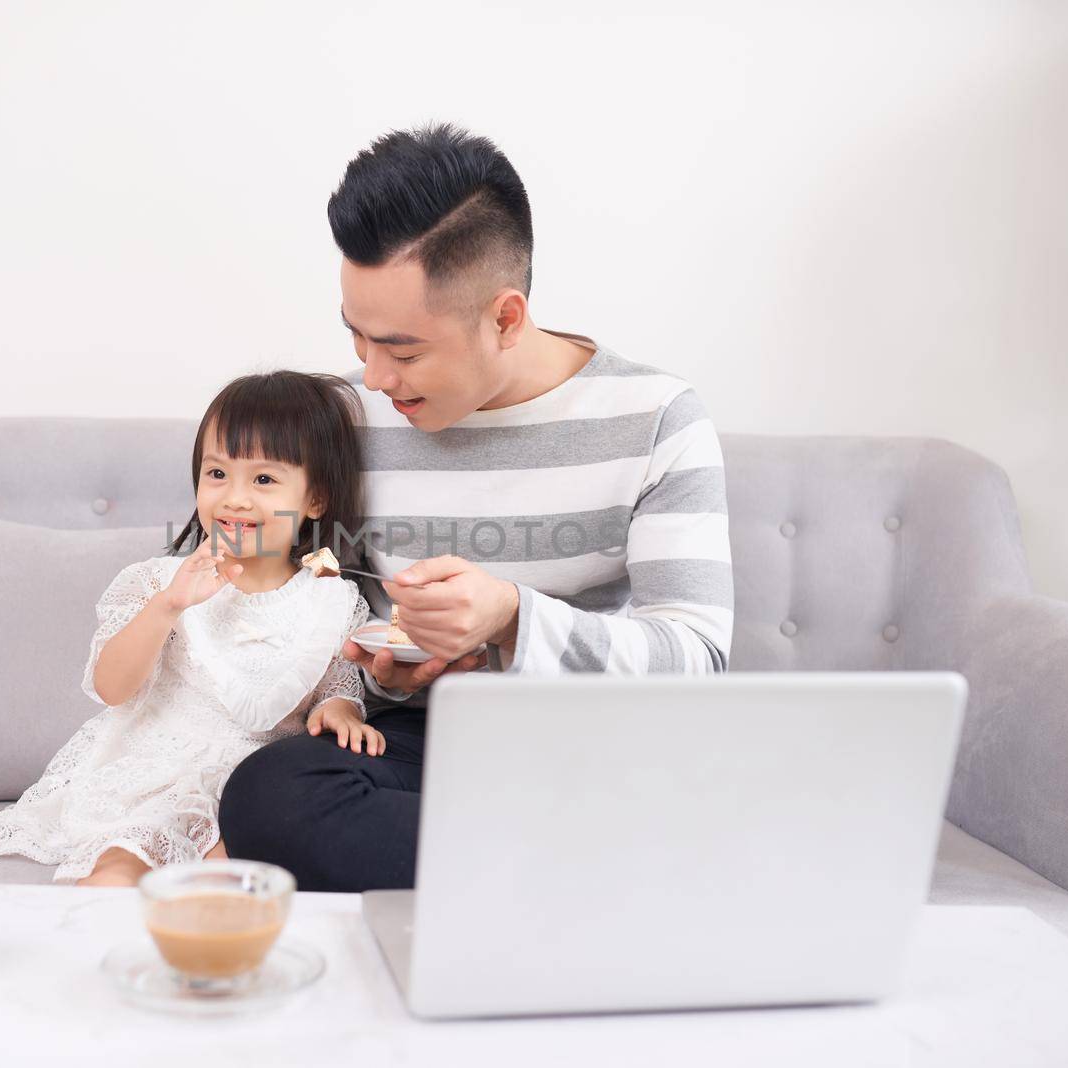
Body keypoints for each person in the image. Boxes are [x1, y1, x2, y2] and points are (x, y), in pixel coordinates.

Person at [219, 123, 735, 891]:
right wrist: (388, 669)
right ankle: (588, 870)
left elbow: (697, 658)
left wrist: (511, 618)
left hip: (588, 744)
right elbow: (329, 608)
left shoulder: (656, 417)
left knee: (673, 781)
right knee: (268, 793)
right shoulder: (352, 418)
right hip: (428, 745)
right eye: (356, 338)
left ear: (505, 318)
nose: (374, 376)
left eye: (403, 349)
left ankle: (546, 860)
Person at [0, 371, 379, 887]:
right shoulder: (160, 582)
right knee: (122, 865)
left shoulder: (331, 599)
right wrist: (166, 607)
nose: (234, 498)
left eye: (263, 479)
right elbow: (112, 687)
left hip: (254, 786)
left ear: (315, 500)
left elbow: (334, 686)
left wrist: (340, 711)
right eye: (217, 475)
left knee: (230, 883)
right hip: (161, 773)